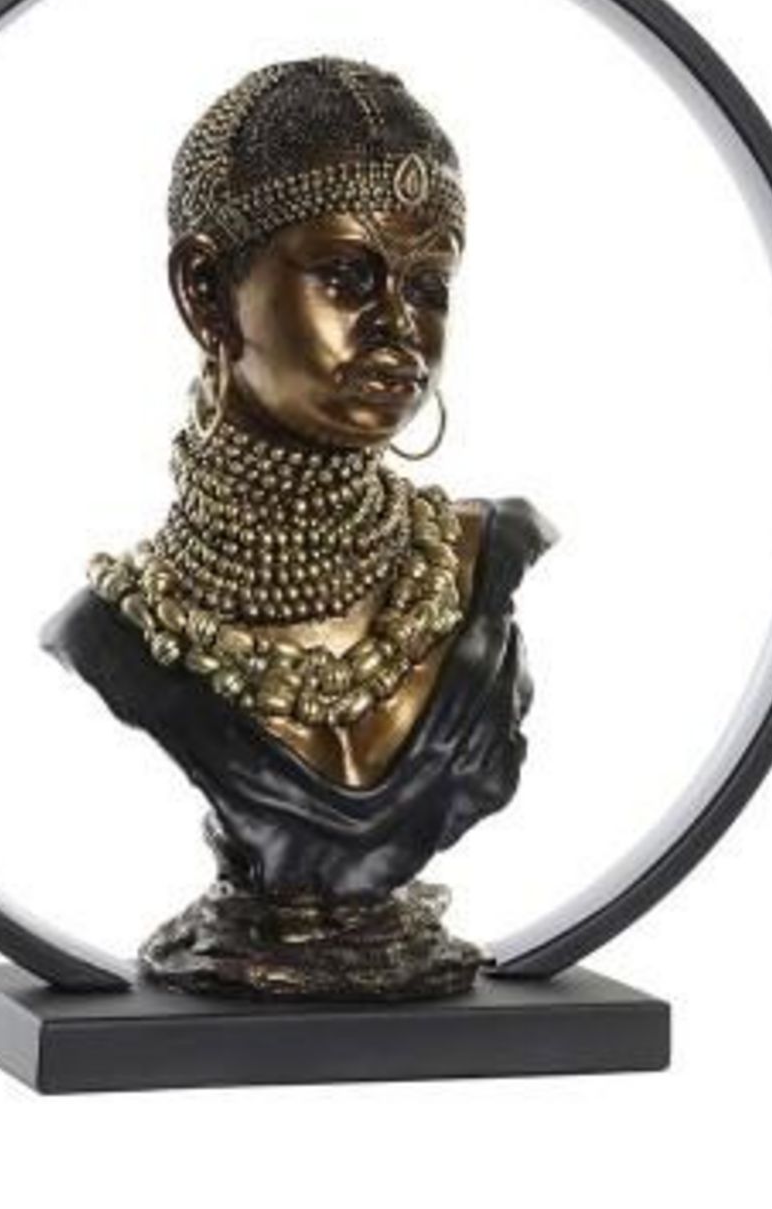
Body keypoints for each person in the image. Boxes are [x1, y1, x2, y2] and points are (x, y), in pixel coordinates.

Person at [41, 57, 555, 998]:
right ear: (205, 292)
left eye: (430, 287)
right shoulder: (119, 634)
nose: (401, 328)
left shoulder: (482, 567)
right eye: (350, 277)